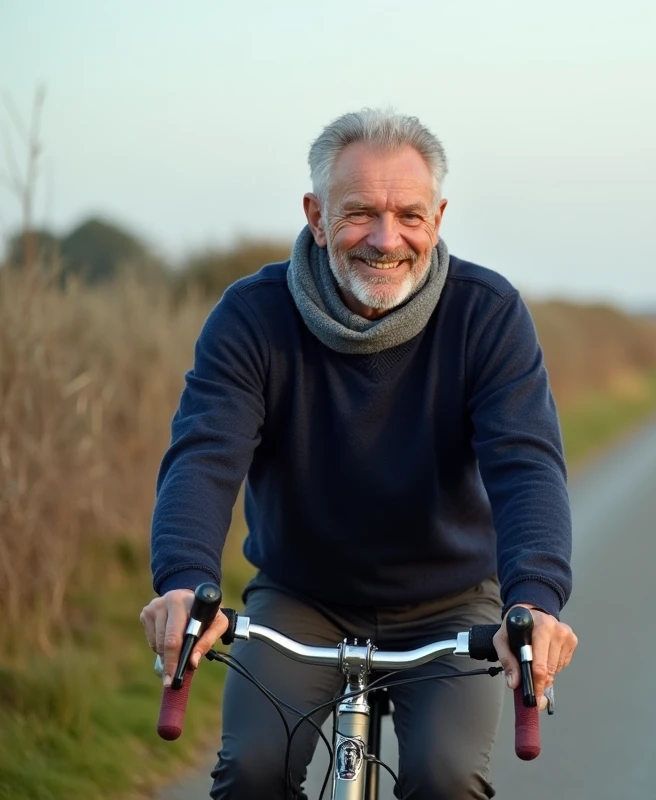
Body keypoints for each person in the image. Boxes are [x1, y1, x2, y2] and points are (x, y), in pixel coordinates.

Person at [139, 108, 577, 799]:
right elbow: (204, 457)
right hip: (300, 598)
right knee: (252, 771)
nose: (385, 238)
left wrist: (537, 601)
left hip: (451, 604)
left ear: (438, 216)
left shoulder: (486, 313)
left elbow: (526, 467)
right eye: (359, 213)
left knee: (447, 778)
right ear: (315, 215)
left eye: (409, 214)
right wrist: (183, 583)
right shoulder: (253, 316)